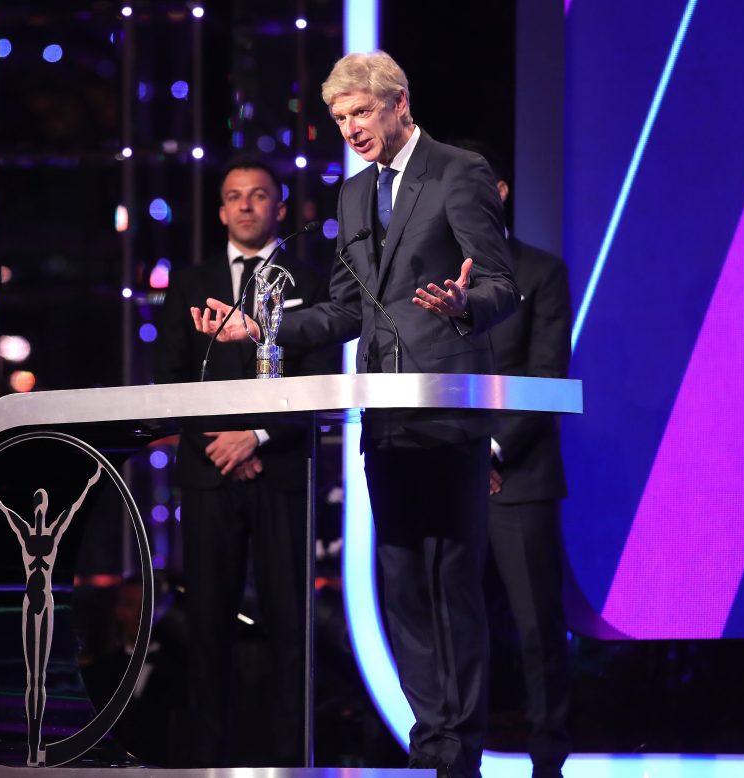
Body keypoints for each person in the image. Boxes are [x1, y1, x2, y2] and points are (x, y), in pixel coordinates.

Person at [191, 52, 519, 778]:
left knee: (450, 585)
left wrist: (465, 305)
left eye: (361, 113)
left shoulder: (457, 171)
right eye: (340, 120)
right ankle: (430, 742)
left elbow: (501, 284)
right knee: (402, 588)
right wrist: (261, 330)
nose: (351, 130)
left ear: (399, 102)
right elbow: (343, 309)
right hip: (385, 417)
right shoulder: (350, 196)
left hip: (447, 408)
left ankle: (459, 758)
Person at [154, 156, 337, 767]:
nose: (246, 206)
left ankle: (292, 759)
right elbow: (172, 377)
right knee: (206, 625)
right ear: (220, 209)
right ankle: (209, 760)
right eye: (234, 196)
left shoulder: (311, 281)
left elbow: (320, 377)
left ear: (279, 208)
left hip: (283, 470)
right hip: (210, 473)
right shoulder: (189, 281)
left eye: (259, 196)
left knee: (290, 626)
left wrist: (257, 436)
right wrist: (224, 440)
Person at [458, 141, 572, 778]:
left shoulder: (541, 272)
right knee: (455, 630)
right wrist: (466, 452)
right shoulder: (435, 278)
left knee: (536, 631)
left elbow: (547, 375)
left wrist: (493, 450)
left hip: (518, 478)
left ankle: (549, 761)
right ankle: (456, 757)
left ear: (498, 192)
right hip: (451, 474)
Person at [0, 463, 104, 767]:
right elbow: (5, 511)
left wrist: (92, 480)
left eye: (42, 502)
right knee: (30, 676)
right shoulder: (24, 531)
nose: (39, 506)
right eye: (36, 501)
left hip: (46, 600)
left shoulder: (54, 530)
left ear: (46, 507)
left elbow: (75, 507)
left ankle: (37, 749)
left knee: (41, 677)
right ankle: (32, 744)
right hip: (28, 600)